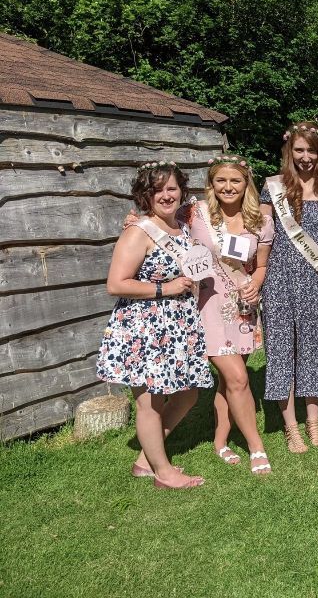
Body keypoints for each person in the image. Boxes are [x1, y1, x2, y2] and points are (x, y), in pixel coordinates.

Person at [98, 161, 212, 489]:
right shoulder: (139, 231)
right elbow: (116, 284)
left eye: (171, 188)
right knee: (150, 400)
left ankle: (146, 459)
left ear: (182, 191)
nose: (166, 195)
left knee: (189, 392)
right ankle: (163, 472)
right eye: (157, 190)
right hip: (145, 328)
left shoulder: (183, 225)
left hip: (179, 324)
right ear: (144, 195)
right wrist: (165, 288)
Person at [259, 122, 318, 452]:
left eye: (311, 150)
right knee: (283, 349)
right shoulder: (273, 188)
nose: (305, 157)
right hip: (279, 277)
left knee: (315, 348)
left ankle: (313, 422)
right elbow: (260, 233)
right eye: (299, 150)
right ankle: (291, 427)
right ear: (289, 151)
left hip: (315, 278)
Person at [188, 154, 272, 475]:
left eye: (235, 180)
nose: (228, 187)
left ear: (246, 183)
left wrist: (256, 284)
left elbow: (261, 265)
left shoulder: (260, 221)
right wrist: (132, 219)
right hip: (207, 308)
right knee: (238, 378)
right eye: (220, 180)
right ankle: (256, 447)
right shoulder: (195, 213)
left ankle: (220, 440)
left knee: (229, 382)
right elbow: (161, 220)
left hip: (242, 308)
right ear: (211, 184)